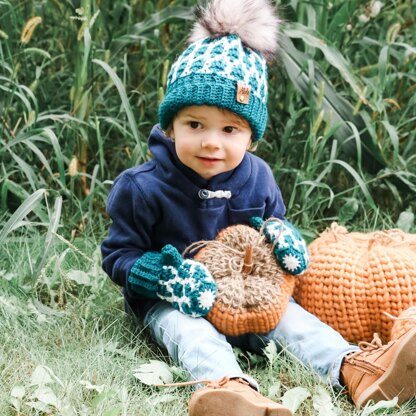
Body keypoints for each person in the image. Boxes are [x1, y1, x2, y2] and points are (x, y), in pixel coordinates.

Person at [101, 0, 416, 414]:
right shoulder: (143, 187)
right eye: (195, 125)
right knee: (190, 333)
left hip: (249, 295)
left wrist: (282, 235)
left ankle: (355, 369)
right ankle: (229, 389)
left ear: (252, 137)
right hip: (176, 298)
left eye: (230, 129)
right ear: (170, 124)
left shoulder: (258, 176)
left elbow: (272, 221)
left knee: (292, 320)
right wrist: (162, 278)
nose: (212, 141)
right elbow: (118, 255)